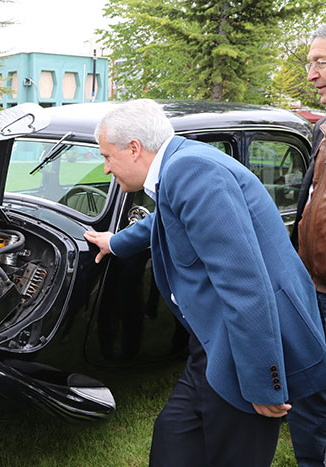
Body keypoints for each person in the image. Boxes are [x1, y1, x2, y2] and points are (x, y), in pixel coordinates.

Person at [84, 99, 326, 466]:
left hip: (245, 344)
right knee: (172, 438)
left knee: (232, 454)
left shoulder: (191, 170)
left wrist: (262, 384)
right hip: (210, 342)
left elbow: (245, 284)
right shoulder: (179, 164)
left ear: (134, 148)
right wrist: (115, 242)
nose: (105, 168)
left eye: (107, 156)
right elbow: (165, 217)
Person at [287, 23, 326, 467]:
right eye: (309, 63)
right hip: (313, 288)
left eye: (320, 63)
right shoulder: (321, 131)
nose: (311, 74)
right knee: (308, 388)